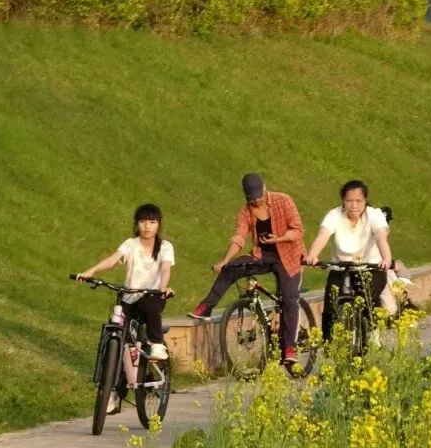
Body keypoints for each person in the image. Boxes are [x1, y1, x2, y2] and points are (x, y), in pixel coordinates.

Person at [188, 173, 306, 364]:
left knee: (289, 299)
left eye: (259, 195)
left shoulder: (283, 200)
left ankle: (289, 348)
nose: (256, 200)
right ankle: (206, 307)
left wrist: (279, 239)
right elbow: (239, 238)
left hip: (289, 257)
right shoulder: (246, 212)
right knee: (231, 268)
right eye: (252, 198)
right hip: (263, 256)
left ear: (264, 187)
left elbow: (298, 230)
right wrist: (225, 260)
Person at [78, 203, 174, 414]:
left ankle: (156, 343)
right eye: (142, 221)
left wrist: (163, 287)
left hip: (152, 295)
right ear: (136, 224)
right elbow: (113, 260)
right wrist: (92, 271)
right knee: (117, 335)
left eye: (152, 222)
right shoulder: (131, 244)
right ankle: (112, 392)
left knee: (151, 305)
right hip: (129, 297)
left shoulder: (165, 247)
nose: (147, 226)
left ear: (159, 225)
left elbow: (165, 268)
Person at [304, 180, 393, 341]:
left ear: (365, 201)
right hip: (341, 268)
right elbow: (323, 236)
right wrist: (313, 255)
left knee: (366, 300)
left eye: (359, 201)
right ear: (343, 201)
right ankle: (329, 344)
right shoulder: (334, 215)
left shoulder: (374, 215)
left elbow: (381, 238)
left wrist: (386, 259)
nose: (354, 205)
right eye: (349, 201)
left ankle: (372, 336)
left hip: (370, 268)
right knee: (331, 305)